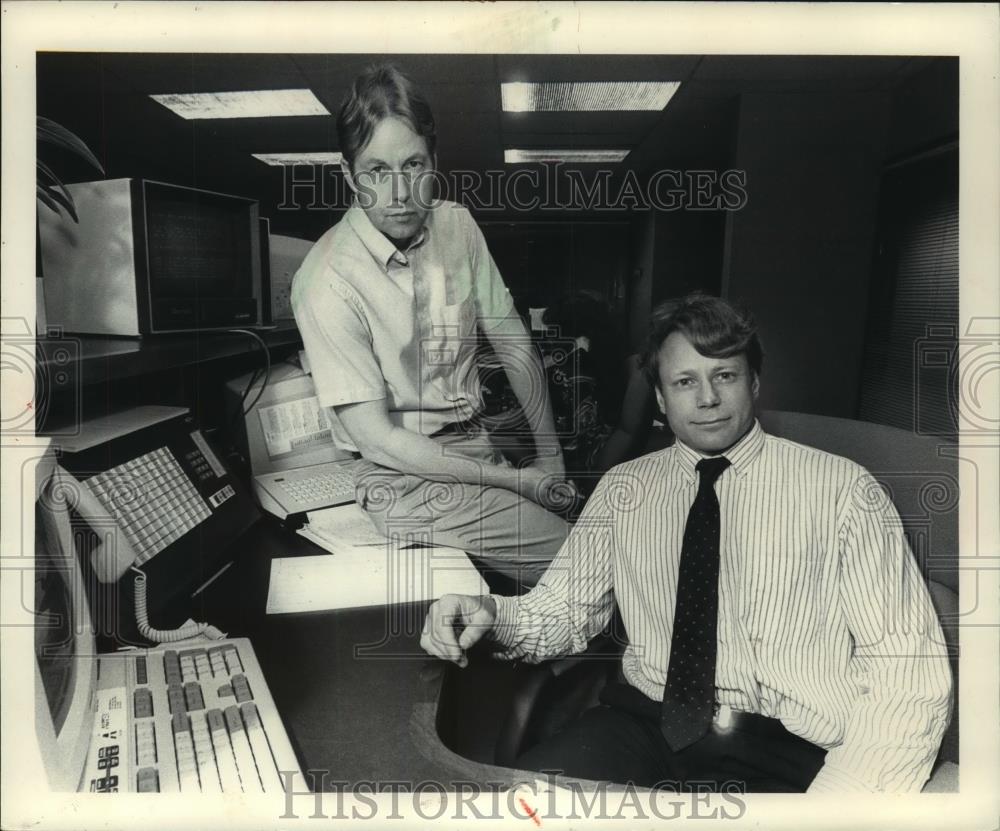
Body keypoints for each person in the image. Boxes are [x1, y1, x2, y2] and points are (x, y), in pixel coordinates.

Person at [420, 292, 952, 792]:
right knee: (515, 811)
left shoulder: (844, 491)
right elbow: (561, 611)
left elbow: (906, 674)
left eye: (725, 375)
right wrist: (491, 613)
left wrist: (841, 805)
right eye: (684, 382)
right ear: (658, 396)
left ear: (756, 384)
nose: (708, 399)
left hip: (787, 743)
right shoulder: (626, 489)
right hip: (646, 721)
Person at [291, 64, 571, 591]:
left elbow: (511, 339)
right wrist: (520, 481)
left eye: (412, 164)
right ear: (349, 173)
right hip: (398, 476)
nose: (398, 192)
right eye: (376, 171)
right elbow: (381, 440)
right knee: (579, 564)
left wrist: (550, 453)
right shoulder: (324, 280)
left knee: (563, 561)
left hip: (477, 442)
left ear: (434, 163)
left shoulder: (457, 225)